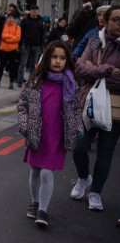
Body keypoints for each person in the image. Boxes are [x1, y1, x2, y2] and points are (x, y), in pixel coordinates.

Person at [17, 41, 81, 227]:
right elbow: (22, 105)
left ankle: (43, 210)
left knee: (47, 172)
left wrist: (77, 126)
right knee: (35, 169)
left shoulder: (71, 83)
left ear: (67, 60)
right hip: (37, 133)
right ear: (46, 59)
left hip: (57, 136)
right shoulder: (35, 82)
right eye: (54, 57)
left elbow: (76, 108)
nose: (58, 61)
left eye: (62, 58)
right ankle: (34, 202)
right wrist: (25, 126)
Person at [69, 5, 120, 212]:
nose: (119, 24)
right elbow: (79, 68)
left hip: (115, 106)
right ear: (106, 21)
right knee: (79, 146)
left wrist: (94, 71)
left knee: (105, 152)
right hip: (90, 103)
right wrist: (108, 70)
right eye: (116, 19)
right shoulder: (94, 41)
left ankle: (95, 191)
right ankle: (83, 178)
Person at [17, 5, 45, 87]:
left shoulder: (40, 21)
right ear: (30, 11)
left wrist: (42, 45)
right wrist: (20, 44)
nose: (34, 11)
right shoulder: (25, 20)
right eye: (33, 10)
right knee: (23, 63)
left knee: (33, 65)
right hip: (26, 44)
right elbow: (21, 33)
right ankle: (20, 80)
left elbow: (43, 34)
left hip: (36, 45)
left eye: (36, 10)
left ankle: (31, 80)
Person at [0, 13, 21, 89]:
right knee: (1, 66)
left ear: (14, 19)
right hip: (3, 49)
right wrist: (11, 37)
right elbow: (2, 36)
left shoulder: (17, 27)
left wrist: (7, 38)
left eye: (12, 18)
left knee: (12, 67)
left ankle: (11, 82)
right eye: (9, 18)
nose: (10, 19)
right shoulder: (3, 26)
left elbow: (17, 38)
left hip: (12, 50)